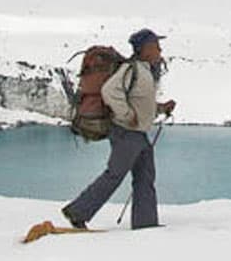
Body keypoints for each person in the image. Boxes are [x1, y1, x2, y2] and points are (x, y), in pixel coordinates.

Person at [62, 28, 175, 230]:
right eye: (156, 45)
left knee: (145, 178)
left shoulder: (144, 71)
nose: (160, 49)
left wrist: (161, 107)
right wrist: (126, 116)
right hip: (126, 134)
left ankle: (146, 225)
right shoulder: (132, 70)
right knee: (115, 175)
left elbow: (139, 102)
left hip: (138, 135)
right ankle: (77, 212)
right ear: (146, 48)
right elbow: (109, 91)